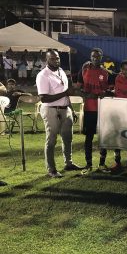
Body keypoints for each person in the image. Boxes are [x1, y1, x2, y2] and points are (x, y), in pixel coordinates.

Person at [36, 49, 82, 178]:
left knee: (68, 138)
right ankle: (51, 169)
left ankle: (69, 163)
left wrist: (71, 109)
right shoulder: (43, 75)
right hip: (51, 110)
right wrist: (65, 93)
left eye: (57, 58)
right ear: (47, 59)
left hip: (65, 109)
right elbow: (44, 98)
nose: (56, 60)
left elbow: (65, 93)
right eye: (53, 58)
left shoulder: (61, 71)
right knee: (51, 140)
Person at [76, 48, 112, 175]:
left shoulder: (105, 72)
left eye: (97, 57)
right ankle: (88, 164)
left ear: (101, 57)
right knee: (89, 137)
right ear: (90, 57)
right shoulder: (84, 69)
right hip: (89, 109)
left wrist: (105, 93)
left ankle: (102, 164)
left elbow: (109, 91)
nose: (95, 58)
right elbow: (77, 88)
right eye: (93, 56)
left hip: (102, 110)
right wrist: (86, 95)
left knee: (103, 137)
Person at [110, 61, 127, 171]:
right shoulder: (118, 78)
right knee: (118, 136)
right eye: (124, 69)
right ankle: (117, 161)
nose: (126, 71)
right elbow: (120, 92)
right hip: (119, 111)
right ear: (121, 69)